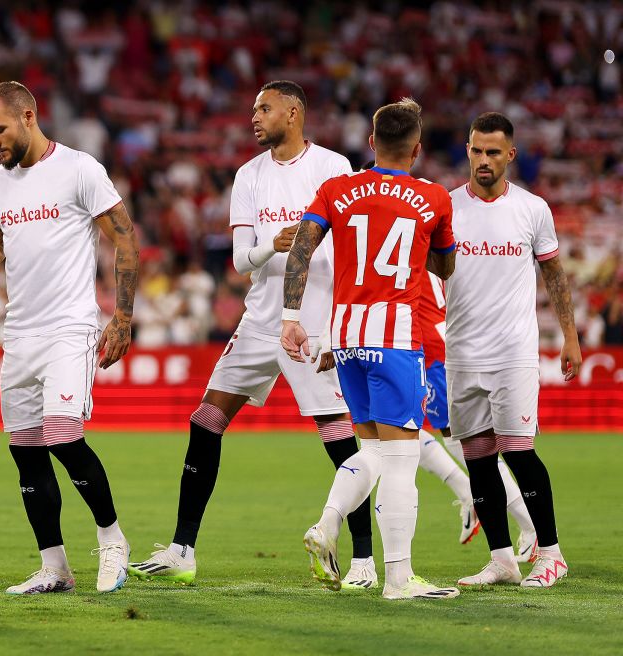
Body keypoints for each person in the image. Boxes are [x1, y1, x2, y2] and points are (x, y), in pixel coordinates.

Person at [122, 81, 360, 586]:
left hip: (314, 322)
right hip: (260, 320)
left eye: (265, 108)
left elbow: (352, 251)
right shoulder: (248, 176)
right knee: (205, 419)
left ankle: (362, 561)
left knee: (339, 437)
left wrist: (341, 323)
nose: (254, 117)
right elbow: (238, 260)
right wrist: (271, 246)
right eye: (253, 108)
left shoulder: (334, 168)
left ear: (294, 113)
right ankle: (183, 550)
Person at [0, 81, 140, 595]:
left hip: (69, 325)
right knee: (26, 450)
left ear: (29, 116)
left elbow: (124, 236)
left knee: (62, 433)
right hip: (20, 331)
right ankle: (54, 567)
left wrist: (122, 317)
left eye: (0, 129)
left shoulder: (79, 169)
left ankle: (112, 540)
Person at [283, 98, 460, 600]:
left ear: (370, 143)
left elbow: (301, 246)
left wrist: (291, 317)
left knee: (372, 452)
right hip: (397, 339)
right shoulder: (434, 198)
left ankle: (327, 522)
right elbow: (444, 269)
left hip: (344, 339)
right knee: (401, 462)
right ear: (418, 148)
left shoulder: (337, 189)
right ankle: (400, 580)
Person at [339, 270, 539, 590]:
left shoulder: (409, 233)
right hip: (431, 337)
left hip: (430, 348)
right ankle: (475, 496)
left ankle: (530, 527)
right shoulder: (425, 236)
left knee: (465, 446)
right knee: (407, 432)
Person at [446, 112, 579, 588]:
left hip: (513, 351)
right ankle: (502, 559)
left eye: (493, 152)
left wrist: (570, 335)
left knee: (520, 452)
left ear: (511, 155)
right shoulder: (444, 208)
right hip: (461, 351)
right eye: (477, 150)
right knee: (478, 457)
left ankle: (552, 554)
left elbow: (555, 275)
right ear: (468, 150)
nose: (484, 160)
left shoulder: (532, 209)